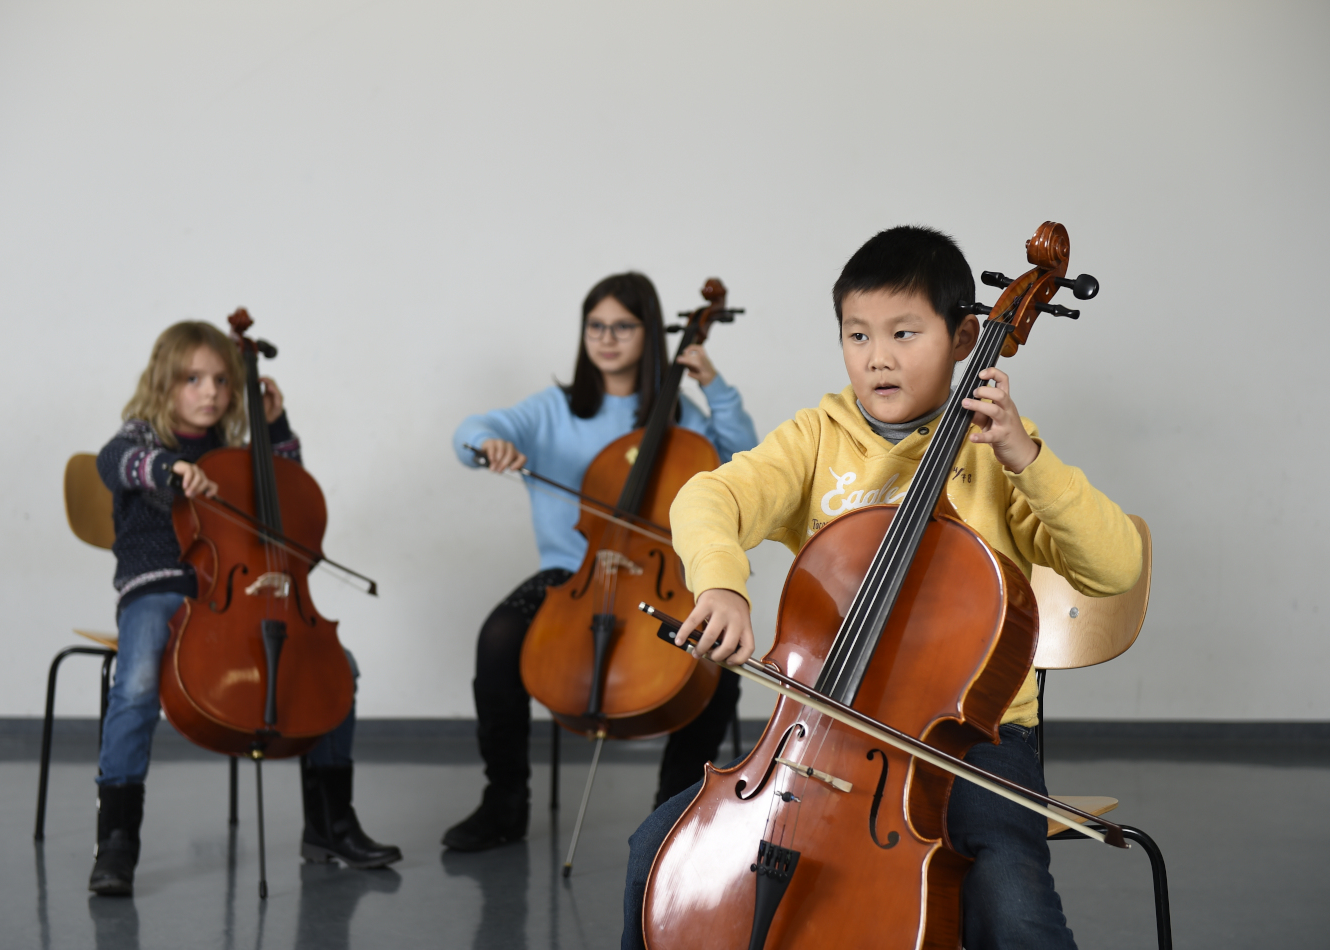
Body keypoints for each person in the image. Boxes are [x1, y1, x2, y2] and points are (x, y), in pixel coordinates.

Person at [620, 227, 1143, 949]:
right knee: (656, 849)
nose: (878, 357)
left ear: (965, 338)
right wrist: (722, 586)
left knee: (1009, 900)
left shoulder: (999, 450)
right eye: (857, 335)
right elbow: (708, 499)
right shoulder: (815, 436)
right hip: (820, 724)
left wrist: (1027, 457)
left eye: (904, 332)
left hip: (971, 742)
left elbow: (1115, 571)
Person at [443, 272, 759, 852]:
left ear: (648, 334)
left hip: (661, 580)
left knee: (715, 662)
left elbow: (742, 458)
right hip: (573, 575)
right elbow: (473, 430)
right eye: (596, 326)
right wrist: (487, 444)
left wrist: (714, 386)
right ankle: (504, 799)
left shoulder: (679, 418)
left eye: (623, 326)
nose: (607, 338)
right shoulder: (554, 409)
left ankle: (676, 809)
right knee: (498, 637)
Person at [89, 321, 401, 896]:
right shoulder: (142, 438)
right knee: (133, 681)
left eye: (221, 381)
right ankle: (116, 841)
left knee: (338, 667)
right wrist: (171, 469)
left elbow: (288, 494)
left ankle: (330, 824)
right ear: (165, 384)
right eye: (192, 379)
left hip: (236, 592)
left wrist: (275, 427)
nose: (209, 392)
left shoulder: (235, 451)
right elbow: (115, 462)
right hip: (158, 587)